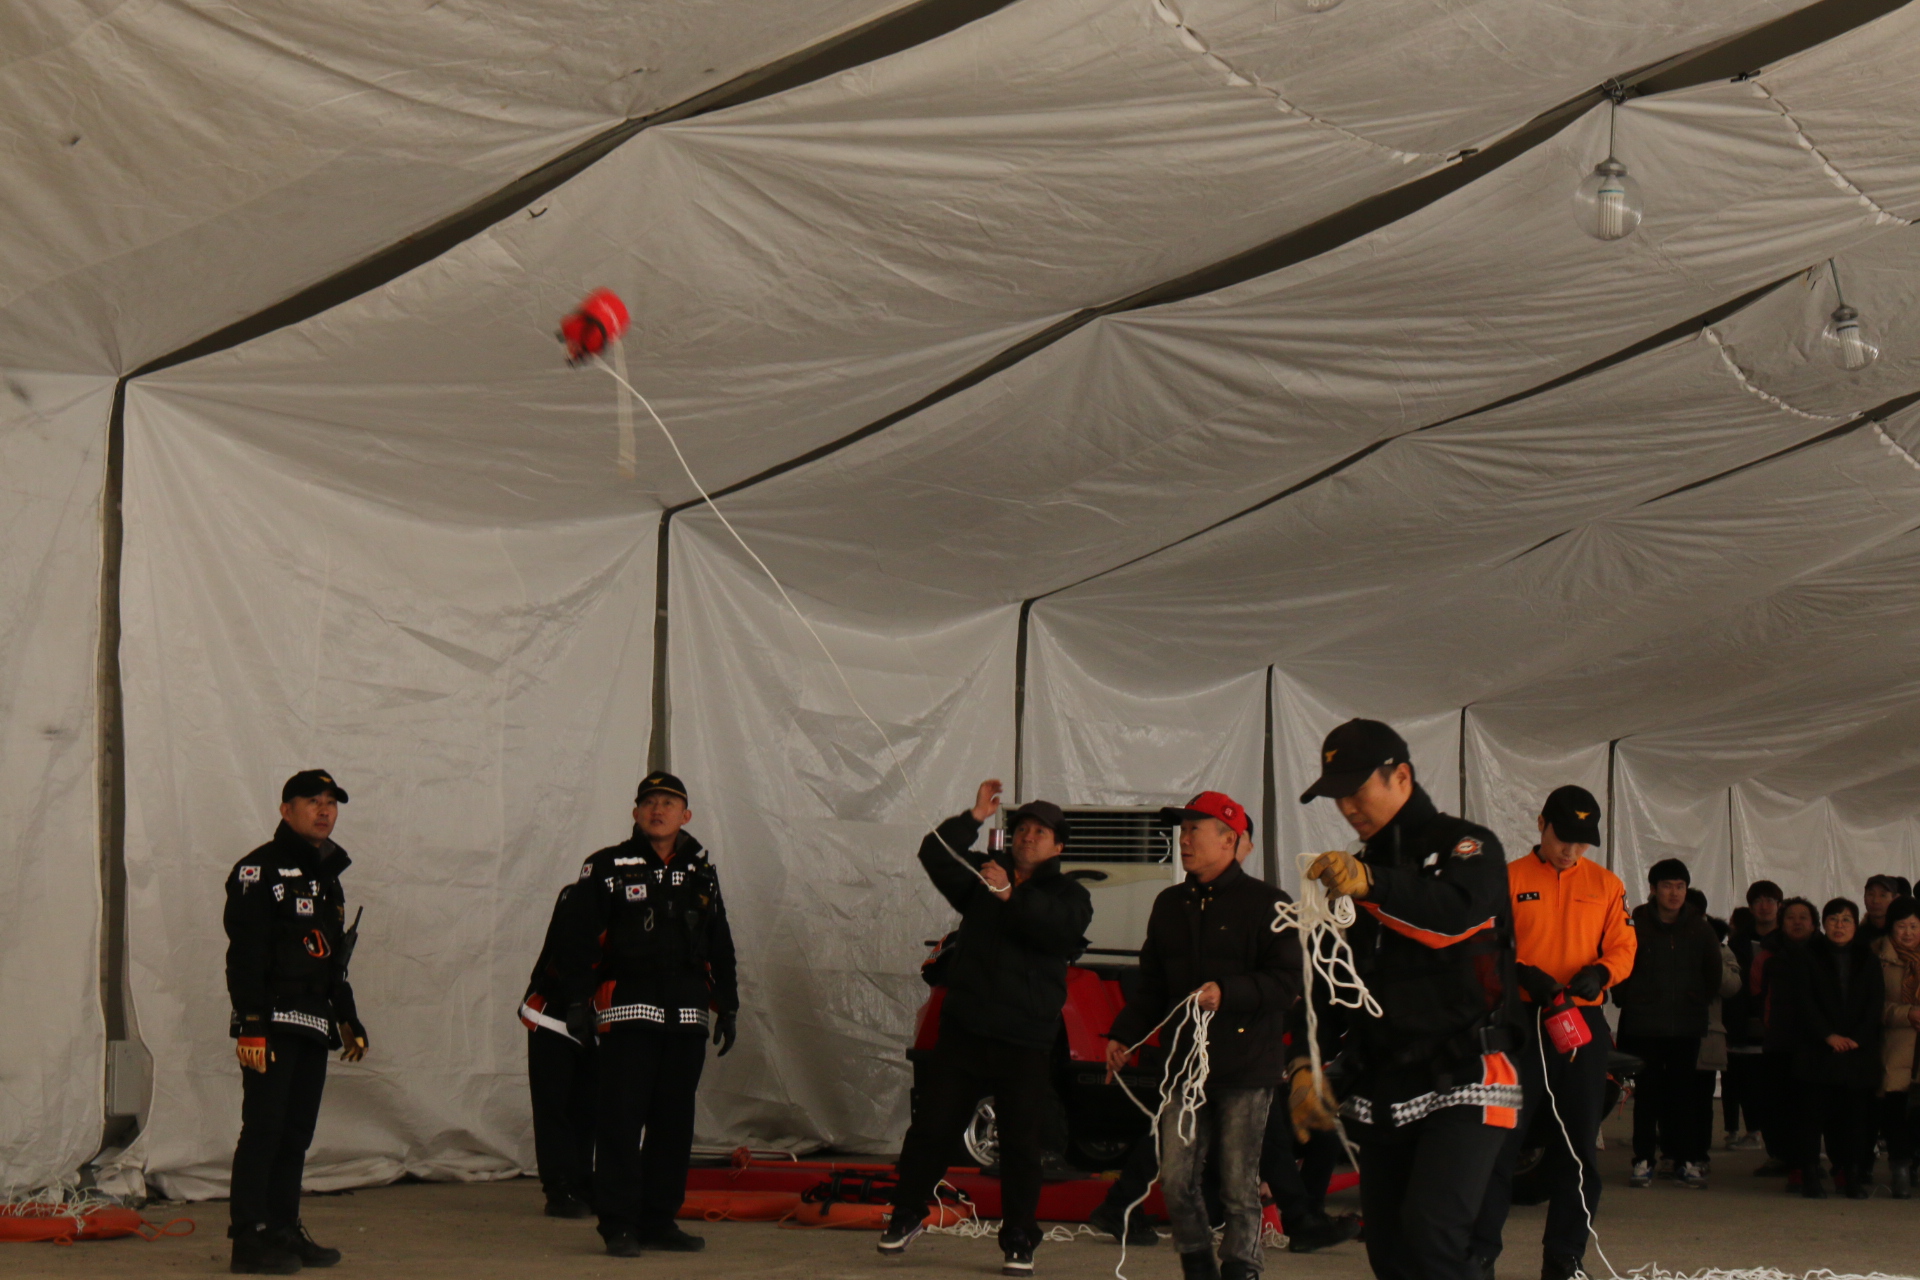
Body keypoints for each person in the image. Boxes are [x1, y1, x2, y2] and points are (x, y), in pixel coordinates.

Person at [1290, 719, 1517, 1280]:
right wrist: (1306, 1063)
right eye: (1337, 794)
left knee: (1433, 1240)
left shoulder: (1468, 846)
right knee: (1389, 1255)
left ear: (1402, 777)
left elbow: (1455, 918)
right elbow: (1332, 983)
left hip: (1465, 1074)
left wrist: (1373, 885)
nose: (1347, 806)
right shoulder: (1355, 871)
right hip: (1383, 1079)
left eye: (1356, 789)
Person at [880, 781, 1093, 1277]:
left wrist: (1010, 895)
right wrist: (973, 816)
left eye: (1040, 832)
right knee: (931, 1129)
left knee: (1020, 1143)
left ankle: (1019, 1237)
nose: (1028, 837)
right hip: (965, 1031)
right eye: (1021, 829)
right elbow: (934, 852)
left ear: (1058, 847)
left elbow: (1059, 931)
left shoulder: (1070, 893)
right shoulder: (983, 874)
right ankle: (907, 1213)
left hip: (1025, 1039)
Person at [1102, 791, 1304, 1280]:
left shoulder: (1269, 903)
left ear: (1229, 840)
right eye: (1183, 829)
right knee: (1175, 1179)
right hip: (1183, 1066)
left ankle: (1241, 1268)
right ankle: (1197, 1266)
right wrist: (1123, 1035)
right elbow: (1153, 984)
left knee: (1238, 1183)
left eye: (1195, 829)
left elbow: (1288, 983)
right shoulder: (1170, 903)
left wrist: (1227, 992)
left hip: (1246, 1066)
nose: (1184, 839)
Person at [550, 771, 738, 1257]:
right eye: (650, 801)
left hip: (687, 1018)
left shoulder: (702, 872)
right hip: (629, 1015)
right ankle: (619, 1225)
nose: (658, 810)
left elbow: (719, 941)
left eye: (669, 803)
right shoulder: (606, 866)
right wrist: (576, 1001)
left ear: (685, 815)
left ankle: (659, 1221)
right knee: (620, 1121)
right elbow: (576, 941)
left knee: (674, 1124)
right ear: (635, 812)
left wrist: (729, 1004)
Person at [1470, 785, 1635, 1280]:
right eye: (1563, 838)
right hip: (1518, 1023)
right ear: (1541, 824)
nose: (1571, 850)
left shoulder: (1607, 885)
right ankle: (1479, 1253)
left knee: (1579, 1146)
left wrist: (1602, 973)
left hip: (1579, 1024)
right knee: (1499, 1142)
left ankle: (1565, 1254)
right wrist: (1520, 972)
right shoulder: (1507, 878)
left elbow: (1624, 946)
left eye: (1582, 842)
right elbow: (1482, 945)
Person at [224, 770, 369, 1275]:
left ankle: (283, 1227)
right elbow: (245, 955)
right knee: (263, 1129)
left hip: (313, 1022)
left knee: (295, 1133)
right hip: (272, 1021)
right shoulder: (257, 871)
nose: (324, 810)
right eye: (312, 800)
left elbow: (330, 960)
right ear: (286, 810)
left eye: (331, 802)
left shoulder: (327, 875)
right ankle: (249, 1238)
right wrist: (251, 1023)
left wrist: (347, 1016)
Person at [1611, 858, 1721, 1190]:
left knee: (1683, 1095)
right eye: (1667, 886)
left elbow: (1713, 973)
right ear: (1653, 889)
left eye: (1680, 886)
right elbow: (1619, 964)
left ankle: (1685, 1160)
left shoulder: (1700, 928)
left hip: (1685, 1026)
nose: (1674, 893)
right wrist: (1628, 999)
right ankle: (1643, 1160)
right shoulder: (1635, 924)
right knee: (1646, 1095)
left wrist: (1695, 1000)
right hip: (1643, 1025)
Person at [1787, 898, 1882, 1198]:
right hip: (1816, 1051)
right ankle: (1810, 1175)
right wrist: (1827, 1035)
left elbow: (1875, 1003)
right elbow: (1803, 1002)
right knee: (1812, 1117)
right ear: (1823, 924)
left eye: (1846, 920)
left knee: (1853, 1119)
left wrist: (1857, 1038)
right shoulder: (1806, 955)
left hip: (1856, 1052)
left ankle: (1850, 1174)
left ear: (1855, 925)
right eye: (1833, 919)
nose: (1839, 926)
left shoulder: (1868, 958)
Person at [520, 881, 596, 1218]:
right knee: (555, 1104)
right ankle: (559, 1186)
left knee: (588, 1105)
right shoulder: (581, 895)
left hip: (598, 1018)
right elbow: (564, 954)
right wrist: (577, 999)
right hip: (552, 1013)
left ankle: (582, 1181)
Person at [1756, 898, 1818, 1183]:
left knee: (1808, 1104)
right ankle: (1780, 1155)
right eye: (1791, 917)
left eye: (1803, 917)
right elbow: (1756, 992)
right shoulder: (1768, 954)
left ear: (1814, 924)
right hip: (1778, 1039)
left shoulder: (1823, 954)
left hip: (1814, 1041)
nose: (1797, 922)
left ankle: (1806, 1160)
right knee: (1775, 1102)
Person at [1725, 881, 1784, 1152]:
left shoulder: (1788, 940)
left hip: (1780, 1020)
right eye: (1758, 901)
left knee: (1777, 1080)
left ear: (1779, 905)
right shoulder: (1738, 942)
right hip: (1744, 1019)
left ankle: (1779, 1135)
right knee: (1747, 1078)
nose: (1764, 906)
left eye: (1770, 900)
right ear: (1750, 907)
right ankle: (1753, 1130)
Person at [1685, 899, 1742, 1172]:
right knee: (1669, 1097)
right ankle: (1672, 1154)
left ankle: (1699, 1156)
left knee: (1701, 1101)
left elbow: (1732, 987)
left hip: (1707, 1035)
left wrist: (1711, 951)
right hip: (1670, 1031)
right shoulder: (1667, 943)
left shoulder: (1721, 948)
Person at [1874, 897, 1920, 1198]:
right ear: (1891, 927)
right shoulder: (1876, 956)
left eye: (1914, 926)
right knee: (1894, 1109)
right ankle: (1900, 1166)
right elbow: (1869, 1005)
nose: (1908, 933)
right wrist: (1907, 1014)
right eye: (1902, 926)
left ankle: (1915, 1161)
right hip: (1893, 1045)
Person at [1862, 875, 1911, 948]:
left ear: (1895, 899)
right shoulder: (1856, 934)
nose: (1875, 900)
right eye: (1871, 894)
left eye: (1883, 895)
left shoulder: (1905, 935)